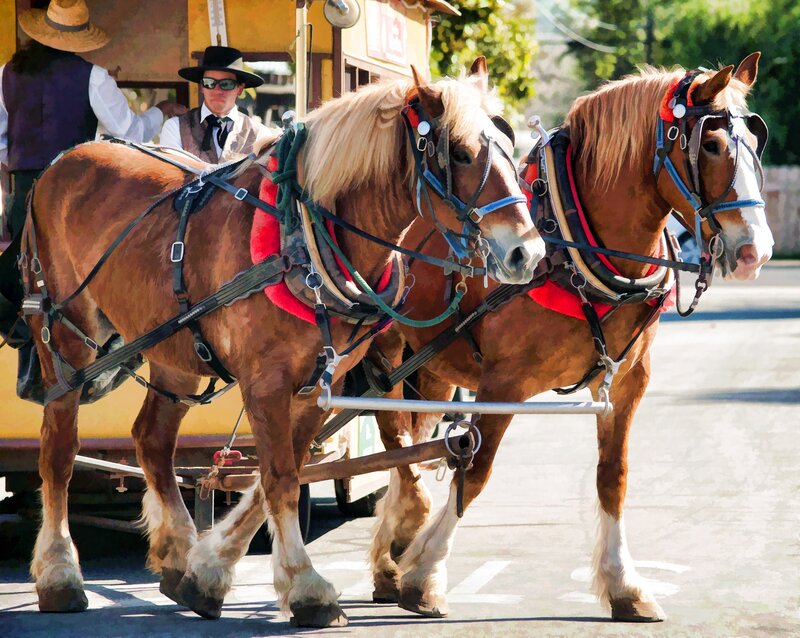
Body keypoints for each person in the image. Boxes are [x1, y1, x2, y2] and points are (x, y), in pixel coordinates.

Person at [0, 0, 185, 343]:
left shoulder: (7, 72)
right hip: (72, 191)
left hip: (23, 189)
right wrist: (160, 111)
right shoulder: (93, 77)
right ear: (78, 38)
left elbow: (0, 138)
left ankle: (27, 341)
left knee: (26, 275)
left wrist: (12, 181)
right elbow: (129, 132)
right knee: (72, 278)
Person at [159, 46, 267, 163]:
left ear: (240, 89)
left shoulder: (260, 134)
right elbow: (173, 178)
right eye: (209, 83)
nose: (217, 90)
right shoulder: (175, 127)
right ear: (201, 87)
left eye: (226, 84)